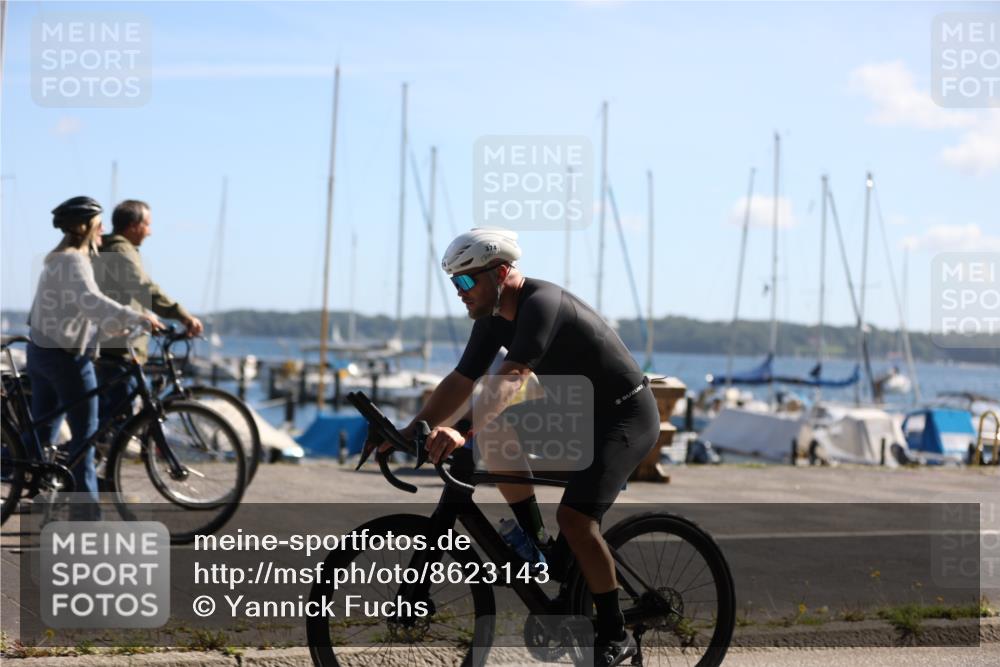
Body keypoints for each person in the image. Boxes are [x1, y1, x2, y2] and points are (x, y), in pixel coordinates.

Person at [373, 227, 659, 666]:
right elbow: (461, 379)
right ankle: (538, 542)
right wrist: (415, 427)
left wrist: (460, 429)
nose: (460, 292)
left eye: (467, 281)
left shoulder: (541, 304)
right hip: (578, 411)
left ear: (501, 272)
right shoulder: (490, 319)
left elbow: (512, 377)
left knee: (577, 521)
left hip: (625, 416)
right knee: (492, 432)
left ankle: (615, 634)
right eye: (454, 282)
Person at [26, 196, 161, 517]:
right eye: (99, 227)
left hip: (40, 353)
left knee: (42, 433)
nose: (103, 233)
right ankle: (86, 517)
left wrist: (114, 326)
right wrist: (137, 317)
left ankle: (36, 491)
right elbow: (91, 301)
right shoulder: (74, 260)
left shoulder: (58, 259)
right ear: (86, 228)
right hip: (67, 358)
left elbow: (77, 308)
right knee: (85, 438)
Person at [93, 199, 203, 417]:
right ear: (134, 225)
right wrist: (182, 315)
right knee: (116, 417)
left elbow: (123, 295)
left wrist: (145, 317)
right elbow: (144, 288)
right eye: (148, 225)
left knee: (112, 414)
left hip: (112, 343)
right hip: (120, 347)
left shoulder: (113, 248)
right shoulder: (120, 251)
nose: (150, 232)